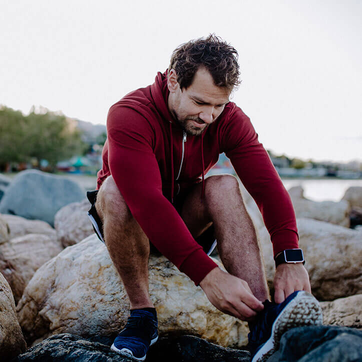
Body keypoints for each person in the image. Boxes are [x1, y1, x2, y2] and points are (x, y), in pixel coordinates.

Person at [87, 34, 322, 362]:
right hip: (129, 219)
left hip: (186, 216)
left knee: (224, 184)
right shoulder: (129, 115)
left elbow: (268, 187)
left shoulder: (229, 120)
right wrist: (208, 276)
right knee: (114, 191)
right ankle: (142, 316)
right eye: (200, 102)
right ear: (173, 81)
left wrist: (290, 258)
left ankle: (262, 319)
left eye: (219, 105)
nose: (210, 116)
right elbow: (147, 203)